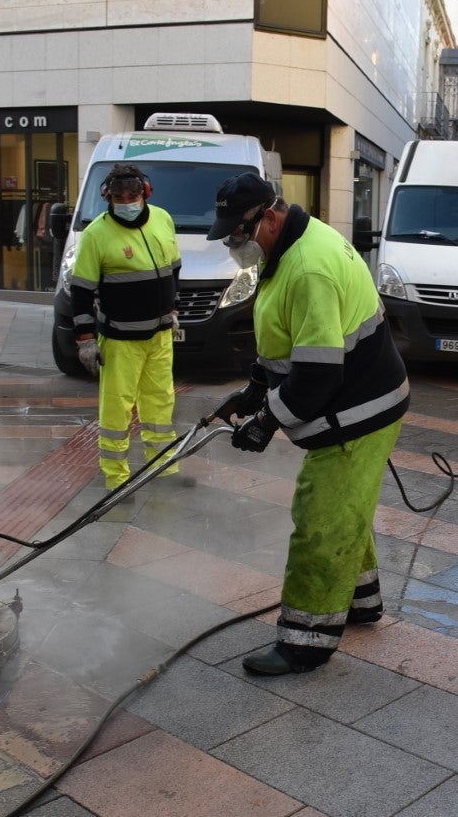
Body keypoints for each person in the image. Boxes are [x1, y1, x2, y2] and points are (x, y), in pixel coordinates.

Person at [210, 172, 410, 677]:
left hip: (358, 411)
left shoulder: (308, 269)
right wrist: (257, 386)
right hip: (359, 396)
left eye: (240, 233)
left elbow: (318, 373)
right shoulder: (291, 247)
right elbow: (291, 336)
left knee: (321, 520)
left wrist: (266, 422)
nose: (236, 244)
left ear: (270, 217)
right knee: (346, 509)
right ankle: (360, 604)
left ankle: (306, 640)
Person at [70, 163, 186, 491]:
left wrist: (173, 308)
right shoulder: (96, 234)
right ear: (107, 197)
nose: (126, 202)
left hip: (160, 336)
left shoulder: (162, 219)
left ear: (145, 192)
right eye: (119, 196)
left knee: (160, 403)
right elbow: (81, 292)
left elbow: (173, 270)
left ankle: (163, 471)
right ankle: (116, 479)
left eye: (132, 195)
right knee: (117, 410)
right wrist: (86, 341)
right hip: (120, 341)